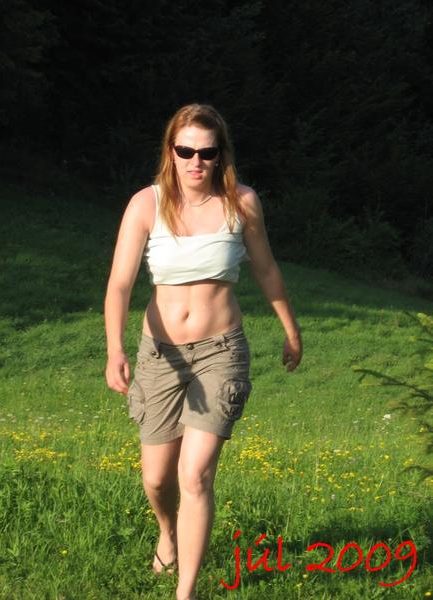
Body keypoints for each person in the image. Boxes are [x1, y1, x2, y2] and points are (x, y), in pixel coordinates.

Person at [104, 103, 302, 600]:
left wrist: (290, 330)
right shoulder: (145, 205)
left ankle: (185, 592)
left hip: (221, 351)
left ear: (220, 155)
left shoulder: (242, 202)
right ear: (170, 151)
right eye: (186, 150)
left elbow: (266, 269)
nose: (196, 161)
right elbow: (120, 284)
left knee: (194, 475)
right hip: (160, 354)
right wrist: (114, 349)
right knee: (157, 479)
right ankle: (167, 532)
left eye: (207, 153)